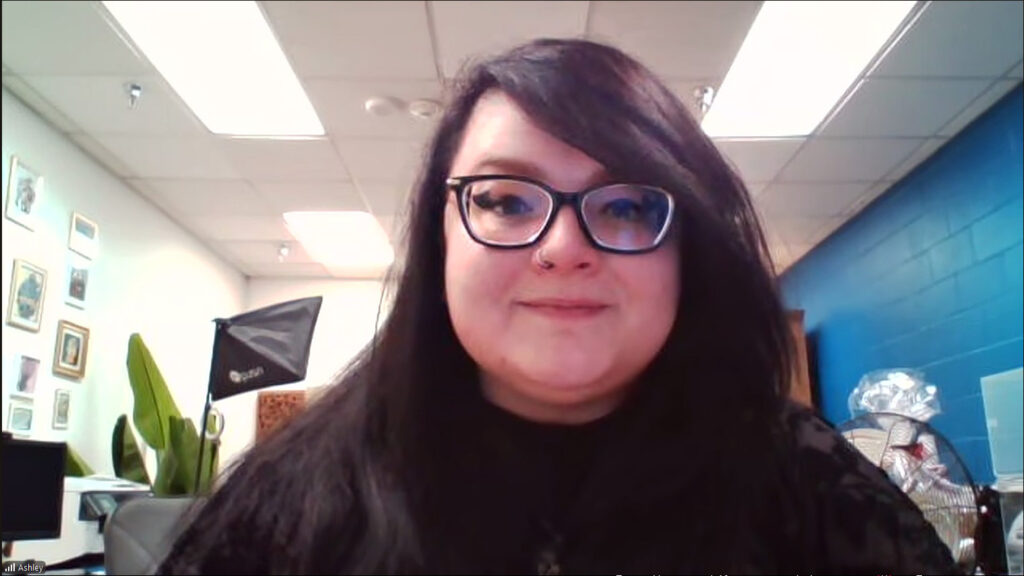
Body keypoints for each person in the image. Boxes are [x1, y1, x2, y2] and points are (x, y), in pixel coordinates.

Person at [158, 39, 957, 575]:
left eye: (628, 207)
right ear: (442, 244)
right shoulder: (285, 509)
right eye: (506, 200)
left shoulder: (810, 487)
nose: (564, 246)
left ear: (687, 254)